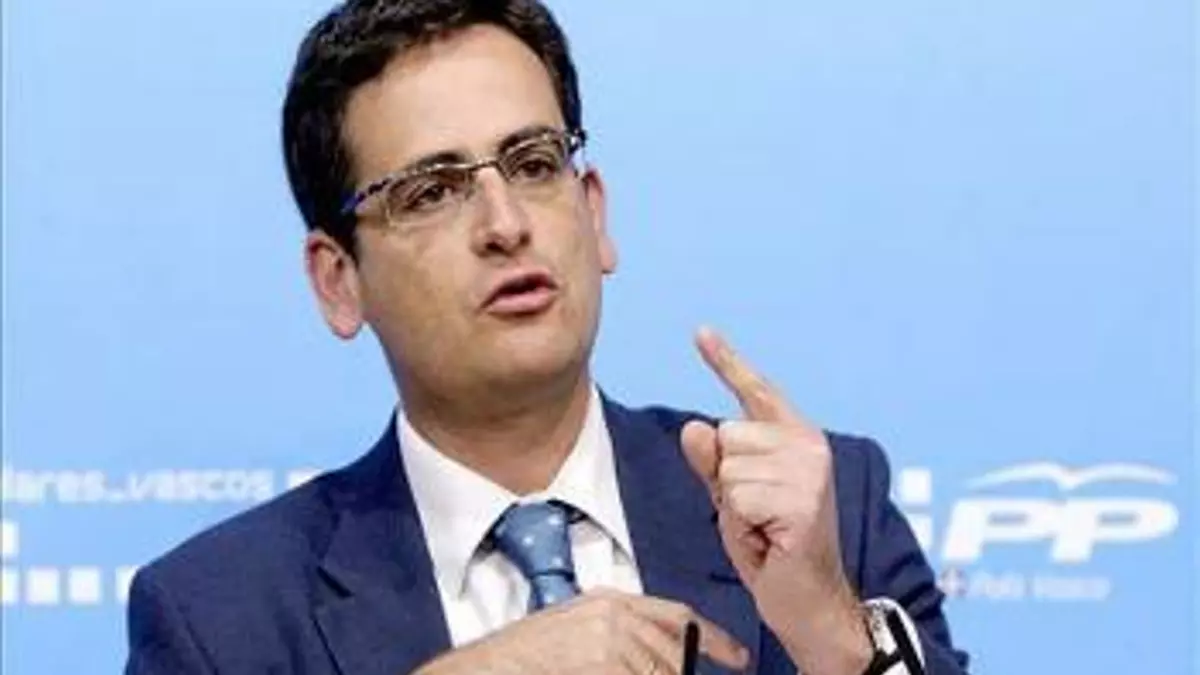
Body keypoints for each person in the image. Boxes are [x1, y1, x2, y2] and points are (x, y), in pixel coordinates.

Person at [124, 1, 970, 673]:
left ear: (594, 214)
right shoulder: (219, 615)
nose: (505, 224)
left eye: (533, 164)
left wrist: (832, 635)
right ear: (338, 279)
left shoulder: (827, 510)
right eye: (431, 192)